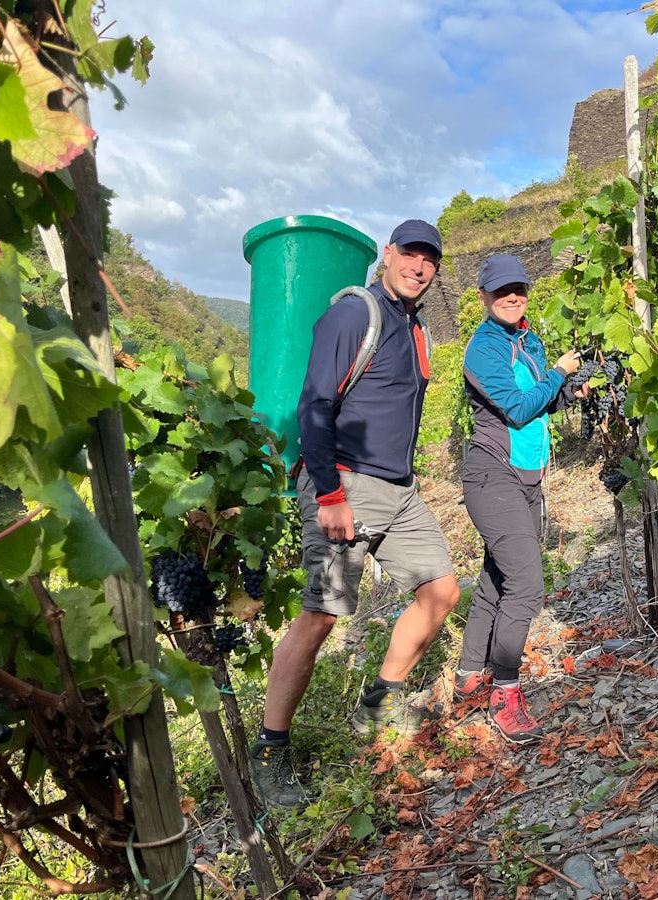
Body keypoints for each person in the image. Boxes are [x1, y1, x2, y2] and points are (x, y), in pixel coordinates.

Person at [249, 219, 461, 809]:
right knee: (322, 615)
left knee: (441, 590)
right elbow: (315, 403)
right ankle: (270, 748)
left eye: (429, 261)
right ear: (387, 255)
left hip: (399, 490)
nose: (419, 267)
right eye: (410, 255)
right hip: (346, 485)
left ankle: (380, 700)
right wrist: (330, 495)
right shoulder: (355, 314)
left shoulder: (415, 328)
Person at [454, 253, 588, 744]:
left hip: (526, 476)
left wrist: (570, 391)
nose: (513, 296)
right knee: (528, 587)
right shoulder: (483, 349)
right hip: (493, 476)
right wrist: (556, 373)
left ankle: (470, 676)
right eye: (502, 290)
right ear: (484, 296)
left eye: (519, 288)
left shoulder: (529, 341)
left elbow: (541, 403)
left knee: (496, 580)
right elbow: (513, 410)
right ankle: (505, 693)